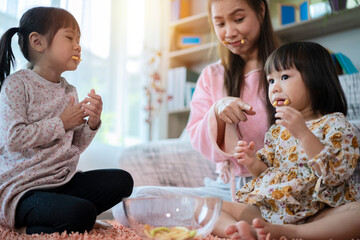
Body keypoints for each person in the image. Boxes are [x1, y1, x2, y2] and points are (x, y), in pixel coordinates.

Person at [112, 0, 279, 225]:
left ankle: (239, 220)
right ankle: (244, 219)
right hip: (226, 189)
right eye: (219, 23)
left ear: (260, 10)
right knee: (128, 205)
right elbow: (197, 141)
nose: (229, 32)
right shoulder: (212, 75)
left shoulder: (289, 69)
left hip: (278, 185)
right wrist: (217, 113)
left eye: (238, 19)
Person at [0, 7, 133, 235]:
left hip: (63, 181)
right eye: (70, 38)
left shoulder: (69, 91)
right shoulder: (16, 85)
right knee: (82, 213)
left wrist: (92, 123)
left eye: (79, 40)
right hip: (24, 190)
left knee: (123, 181)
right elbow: (13, 138)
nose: (78, 46)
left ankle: (67, 217)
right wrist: (61, 122)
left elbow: (74, 145)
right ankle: (24, 227)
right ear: (37, 42)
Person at [213, 41, 360, 240]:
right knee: (210, 206)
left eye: (284, 77)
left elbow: (335, 175)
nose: (274, 88)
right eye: (270, 81)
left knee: (356, 212)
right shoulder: (276, 132)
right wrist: (252, 162)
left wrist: (303, 133)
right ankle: (248, 233)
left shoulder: (335, 124)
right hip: (274, 211)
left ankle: (291, 233)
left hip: (317, 214)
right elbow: (267, 173)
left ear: (316, 79)